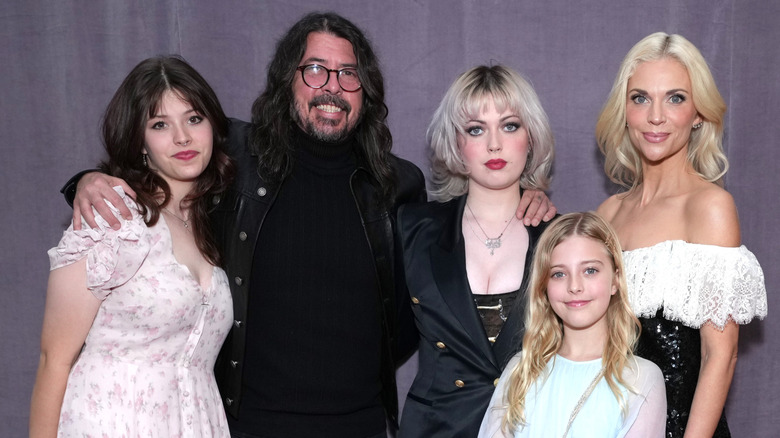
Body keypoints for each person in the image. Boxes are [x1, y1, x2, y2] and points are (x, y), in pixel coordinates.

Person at [63, 13, 556, 438]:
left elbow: (415, 306)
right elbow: (160, 159)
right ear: (288, 81)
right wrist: (89, 179)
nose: (332, 88)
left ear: (365, 91)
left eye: (348, 74)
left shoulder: (396, 184)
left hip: (361, 426)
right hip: (250, 424)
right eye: (316, 70)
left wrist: (526, 194)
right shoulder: (235, 156)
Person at [29, 56, 235, 437]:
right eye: (160, 124)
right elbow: (53, 359)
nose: (182, 137)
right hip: (112, 422)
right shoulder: (112, 219)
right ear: (139, 142)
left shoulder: (213, 224)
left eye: (194, 118)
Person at [595, 32, 768, 437]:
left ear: (698, 114)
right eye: (640, 98)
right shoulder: (608, 214)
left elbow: (719, 357)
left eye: (675, 98)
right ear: (624, 110)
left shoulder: (709, 208)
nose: (656, 116)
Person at [396, 65, 556, 438]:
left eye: (510, 125)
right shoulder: (412, 228)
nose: (495, 144)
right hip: (436, 430)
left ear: (531, 138)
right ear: (456, 144)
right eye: (476, 129)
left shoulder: (560, 237)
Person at [478, 212, 667, 438]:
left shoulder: (641, 378)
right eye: (558, 274)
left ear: (615, 280)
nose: (574, 286)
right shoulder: (521, 370)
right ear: (544, 286)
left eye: (590, 270)